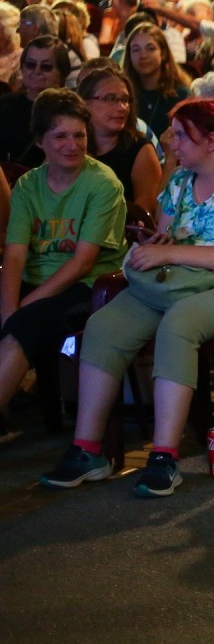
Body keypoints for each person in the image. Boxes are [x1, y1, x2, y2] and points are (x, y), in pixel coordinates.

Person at [41, 99, 214, 496]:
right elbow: (170, 237)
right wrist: (157, 243)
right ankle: (87, 449)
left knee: (180, 324)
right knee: (103, 325)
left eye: (181, 136)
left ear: (211, 140)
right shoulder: (179, 180)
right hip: (180, 281)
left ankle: (164, 456)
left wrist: (169, 253)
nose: (172, 143)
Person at [0, 91, 126, 426]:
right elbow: (15, 254)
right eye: (60, 137)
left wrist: (23, 308)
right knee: (14, 320)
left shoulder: (102, 183)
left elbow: (82, 263)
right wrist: (8, 308)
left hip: (89, 285)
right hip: (36, 280)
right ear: (40, 141)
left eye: (79, 136)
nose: (72, 145)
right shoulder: (28, 185)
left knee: (25, 324)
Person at [79, 62, 163, 219]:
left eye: (125, 100)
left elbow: (142, 216)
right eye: (110, 98)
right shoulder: (73, 146)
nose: (122, 107)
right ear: (85, 103)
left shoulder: (141, 150)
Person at [0, 36, 71, 165]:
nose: (36, 71)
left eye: (46, 67)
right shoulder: (4, 104)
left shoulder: (71, 110)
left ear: (62, 72)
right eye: (30, 65)